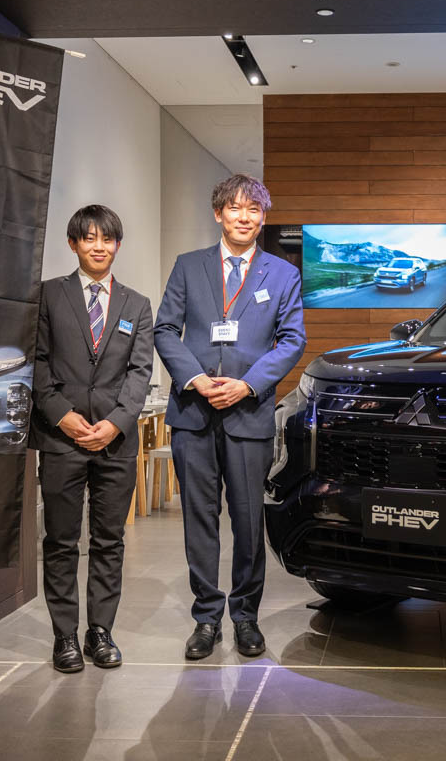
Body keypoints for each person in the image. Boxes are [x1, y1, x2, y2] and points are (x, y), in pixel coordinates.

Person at [154, 173, 305, 659]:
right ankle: (206, 618)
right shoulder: (189, 265)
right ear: (218, 213)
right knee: (199, 519)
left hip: (249, 412)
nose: (244, 217)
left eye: (253, 210)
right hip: (193, 412)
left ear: (263, 217)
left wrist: (248, 384)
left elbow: (292, 340)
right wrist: (195, 379)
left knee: (247, 520)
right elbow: (164, 330)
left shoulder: (282, 274)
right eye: (235, 208)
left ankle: (245, 616)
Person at [31, 204, 153, 673]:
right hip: (61, 439)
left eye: (107, 239)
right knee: (61, 540)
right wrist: (62, 416)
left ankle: (100, 631)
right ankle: (64, 635)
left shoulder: (137, 304)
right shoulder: (48, 295)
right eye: (89, 238)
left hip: (115, 443)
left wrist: (117, 422)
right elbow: (37, 363)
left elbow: (140, 372)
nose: (98, 246)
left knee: (108, 541)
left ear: (117, 245)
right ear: (73, 243)